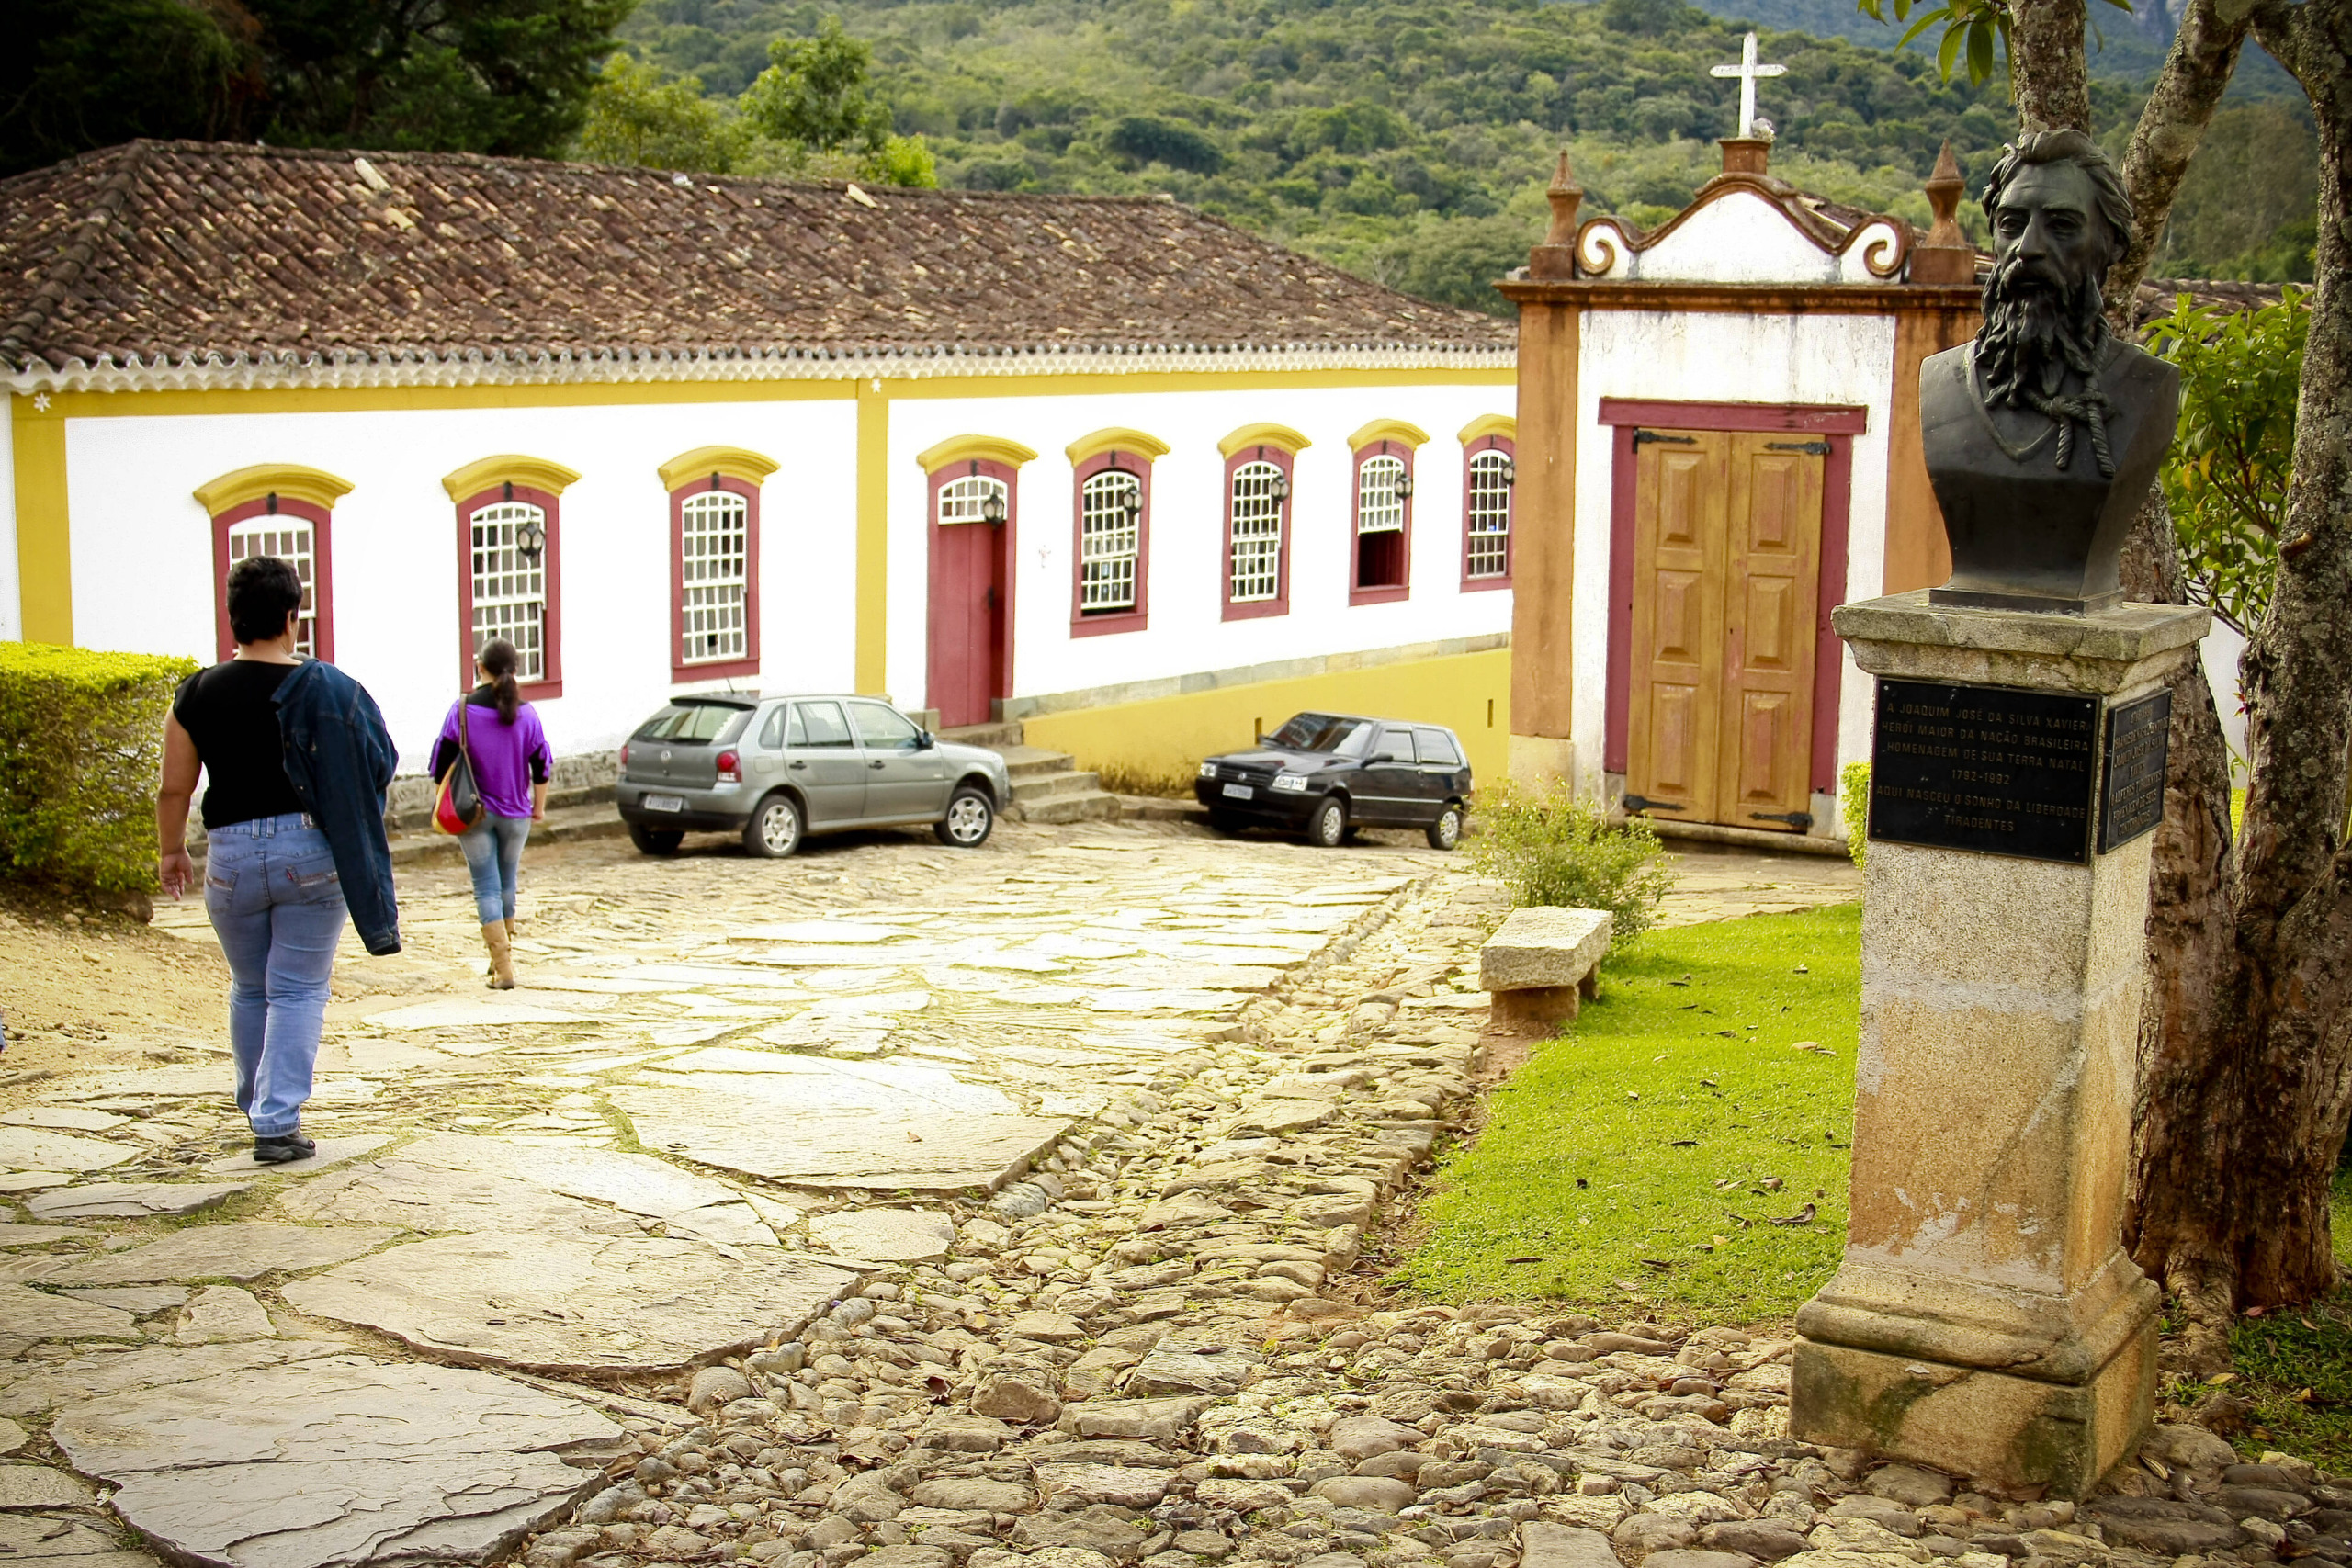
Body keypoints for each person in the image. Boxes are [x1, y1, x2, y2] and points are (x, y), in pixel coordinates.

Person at [157, 556, 400, 1165]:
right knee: (297, 989)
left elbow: (173, 790)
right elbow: (380, 759)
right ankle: (276, 1120)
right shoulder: (328, 687)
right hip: (308, 852)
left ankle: (254, 1099)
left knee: (250, 985)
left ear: (232, 619)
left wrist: (171, 850)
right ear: (293, 617)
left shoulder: (196, 693)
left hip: (229, 857)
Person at [431, 638, 550, 988]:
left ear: (479, 667)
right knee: (507, 882)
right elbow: (541, 765)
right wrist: (538, 807)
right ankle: (503, 958)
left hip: (474, 812)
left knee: (486, 885)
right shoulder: (528, 714)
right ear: (515, 670)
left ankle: (503, 966)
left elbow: (440, 765)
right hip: (517, 814)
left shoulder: (462, 710)